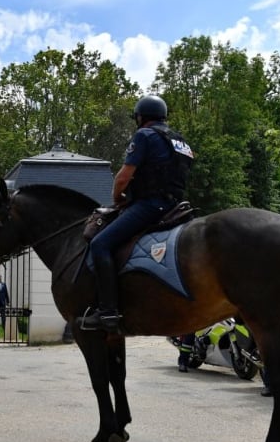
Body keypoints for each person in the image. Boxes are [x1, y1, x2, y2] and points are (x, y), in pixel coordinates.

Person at [79, 95, 194, 331]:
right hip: (176, 206)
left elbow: (123, 177)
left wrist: (118, 197)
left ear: (141, 118)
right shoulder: (180, 141)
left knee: (100, 244)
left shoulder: (144, 135)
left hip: (151, 205)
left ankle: (108, 311)